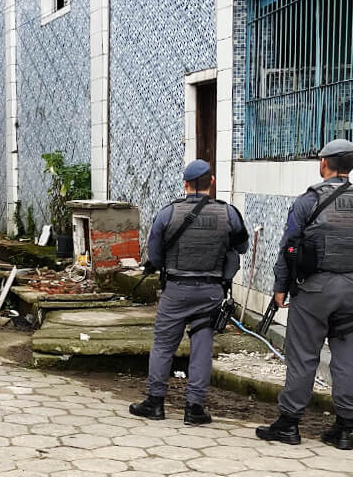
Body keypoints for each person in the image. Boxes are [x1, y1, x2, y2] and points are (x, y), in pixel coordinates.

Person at [129, 160, 249, 425]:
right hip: (211, 292)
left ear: (185, 184)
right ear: (212, 182)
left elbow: (156, 255)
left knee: (163, 345)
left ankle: (155, 403)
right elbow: (241, 248)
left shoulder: (168, 213)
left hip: (176, 290)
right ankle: (194, 408)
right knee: (202, 347)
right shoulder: (228, 213)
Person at [257, 139, 353, 450]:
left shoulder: (307, 201)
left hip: (314, 290)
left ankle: (288, 425)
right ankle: (346, 429)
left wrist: (280, 287)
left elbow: (289, 248)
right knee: (348, 358)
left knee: (302, 356)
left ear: (324, 164)